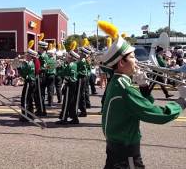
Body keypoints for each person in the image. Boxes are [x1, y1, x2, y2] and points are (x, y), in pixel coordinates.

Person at [100, 34, 184, 169]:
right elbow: (157, 115)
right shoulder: (125, 88)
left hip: (116, 145)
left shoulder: (116, 82)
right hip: (126, 150)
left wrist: (144, 87)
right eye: (133, 57)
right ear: (121, 63)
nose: (137, 60)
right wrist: (182, 102)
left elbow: (140, 105)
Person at [56, 46, 80, 125]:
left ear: (72, 58)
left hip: (70, 84)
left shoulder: (71, 65)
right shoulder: (72, 64)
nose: (67, 57)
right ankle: (74, 118)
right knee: (71, 102)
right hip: (71, 84)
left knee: (66, 102)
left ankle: (64, 119)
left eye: (68, 56)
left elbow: (64, 74)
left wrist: (59, 68)